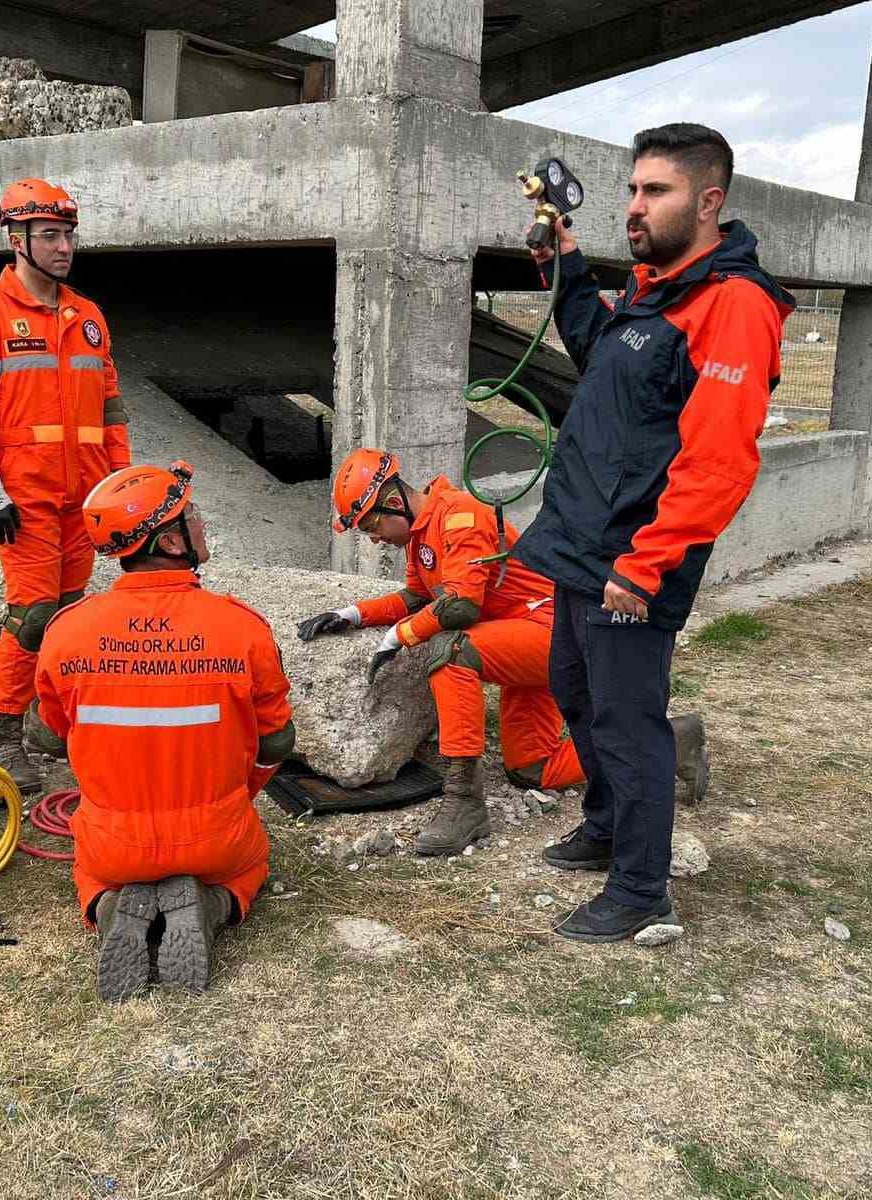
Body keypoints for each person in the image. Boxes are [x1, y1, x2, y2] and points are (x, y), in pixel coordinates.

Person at [511, 123, 795, 943]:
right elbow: (601, 354)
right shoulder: (653, 289)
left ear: (709, 202)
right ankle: (606, 825)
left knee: (628, 719)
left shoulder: (733, 306)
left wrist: (647, 564)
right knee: (574, 690)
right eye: (633, 189)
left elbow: (719, 460)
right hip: (583, 540)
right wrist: (564, 265)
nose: (635, 206)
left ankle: (641, 889)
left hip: (635, 555)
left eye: (656, 191)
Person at [302, 449, 709, 857]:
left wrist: (400, 635)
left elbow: (461, 606)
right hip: (518, 639)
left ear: (393, 501)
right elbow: (415, 597)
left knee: (452, 649)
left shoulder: (461, 516)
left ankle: (463, 801)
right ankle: (670, 741)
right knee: (532, 768)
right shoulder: (422, 533)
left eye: (371, 525)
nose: (374, 538)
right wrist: (353, 614)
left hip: (549, 634)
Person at [30, 461, 294, 1002]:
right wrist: (238, 797)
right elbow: (277, 740)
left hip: (114, 845)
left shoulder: (67, 630)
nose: (201, 522)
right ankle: (212, 905)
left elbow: (51, 733)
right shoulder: (241, 627)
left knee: (92, 873)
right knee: (249, 868)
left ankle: (110, 907)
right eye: (191, 514)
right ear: (171, 541)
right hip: (217, 840)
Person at [0, 177, 131, 797]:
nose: (64, 247)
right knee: (32, 615)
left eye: (68, 235)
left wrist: (121, 482)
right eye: (50, 235)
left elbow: (110, 408)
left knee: (71, 613)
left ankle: (50, 721)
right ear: (16, 239)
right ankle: (3, 736)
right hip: (23, 496)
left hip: (86, 495)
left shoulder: (88, 315)